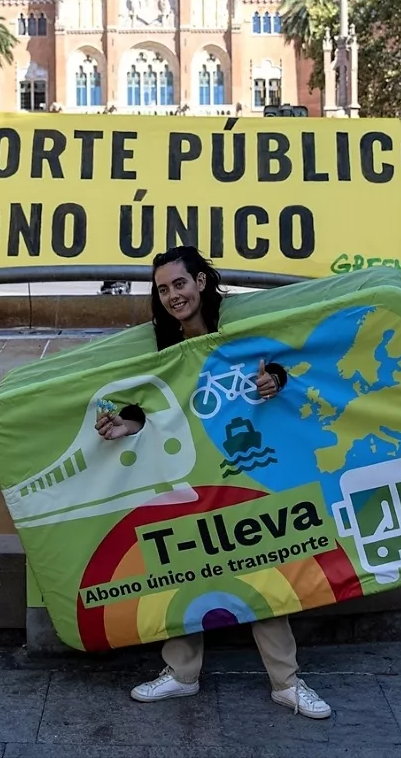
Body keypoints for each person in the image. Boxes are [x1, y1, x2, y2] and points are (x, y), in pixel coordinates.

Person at [93, 247, 331, 720]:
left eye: (179, 284)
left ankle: (286, 682)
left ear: (201, 282)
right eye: (162, 290)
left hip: (247, 474)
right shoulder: (163, 350)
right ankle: (181, 675)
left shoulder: (242, 332)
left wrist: (275, 382)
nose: (172, 296)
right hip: (188, 480)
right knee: (183, 570)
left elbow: (282, 367)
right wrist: (127, 426)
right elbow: (153, 411)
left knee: (263, 570)